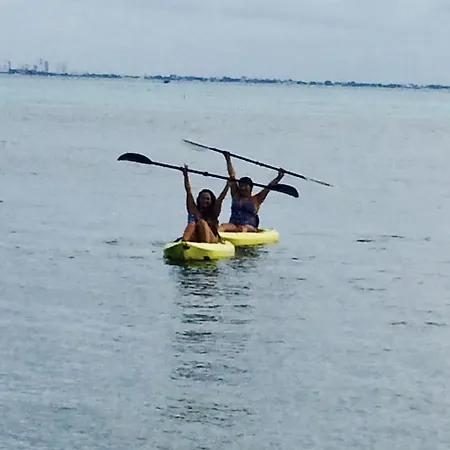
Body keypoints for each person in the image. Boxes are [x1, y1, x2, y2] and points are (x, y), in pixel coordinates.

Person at [218, 152, 285, 232]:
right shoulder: (236, 195)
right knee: (223, 226)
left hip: (249, 227)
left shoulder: (257, 199)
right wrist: (228, 159)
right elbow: (232, 176)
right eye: (241, 186)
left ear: (251, 187)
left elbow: (269, 187)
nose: (243, 188)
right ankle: (215, 235)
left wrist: (279, 177)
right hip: (233, 225)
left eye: (245, 186)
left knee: (243, 228)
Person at [181, 165, 230, 243]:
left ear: (211, 201)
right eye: (203, 198)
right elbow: (188, 191)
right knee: (192, 224)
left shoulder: (214, 211)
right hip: (196, 238)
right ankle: (184, 243)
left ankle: (205, 244)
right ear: (199, 199)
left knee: (202, 223)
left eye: (207, 199)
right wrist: (186, 176)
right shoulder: (193, 210)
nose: (205, 201)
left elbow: (221, 198)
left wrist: (228, 185)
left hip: (211, 240)